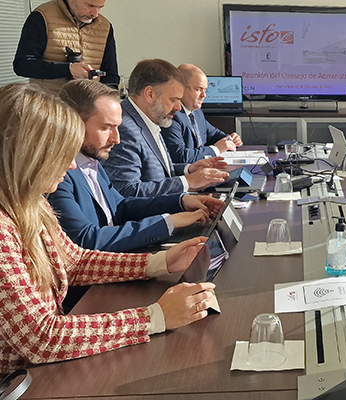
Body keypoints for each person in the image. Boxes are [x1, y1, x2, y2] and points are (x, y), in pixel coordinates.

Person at [0, 83, 215, 371]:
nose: (72, 165)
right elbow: (41, 337)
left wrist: (159, 262)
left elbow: (74, 261)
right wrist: (154, 317)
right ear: (27, 154)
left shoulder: (32, 203)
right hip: (21, 379)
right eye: (61, 153)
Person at [48, 80, 225, 252]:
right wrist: (169, 222)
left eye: (117, 128)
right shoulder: (57, 176)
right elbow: (86, 239)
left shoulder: (91, 160)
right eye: (106, 128)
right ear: (73, 124)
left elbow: (119, 206)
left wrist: (181, 202)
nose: (116, 139)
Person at [101, 59, 230, 197]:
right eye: (173, 100)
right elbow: (127, 191)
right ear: (150, 94)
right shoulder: (124, 129)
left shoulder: (150, 119)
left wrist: (188, 169)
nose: (178, 108)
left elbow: (155, 172)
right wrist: (188, 182)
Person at [13, 0, 118, 94]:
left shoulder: (105, 26)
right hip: (48, 104)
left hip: (89, 105)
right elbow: (22, 65)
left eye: (100, 7)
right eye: (90, 5)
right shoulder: (41, 17)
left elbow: (111, 76)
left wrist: (106, 98)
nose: (95, 14)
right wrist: (68, 70)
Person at [161, 64, 243, 163]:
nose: (204, 95)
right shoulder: (171, 115)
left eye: (205, 90)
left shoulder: (196, 112)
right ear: (181, 88)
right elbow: (180, 157)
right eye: (198, 89)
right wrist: (216, 149)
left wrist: (231, 139)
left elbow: (214, 134)